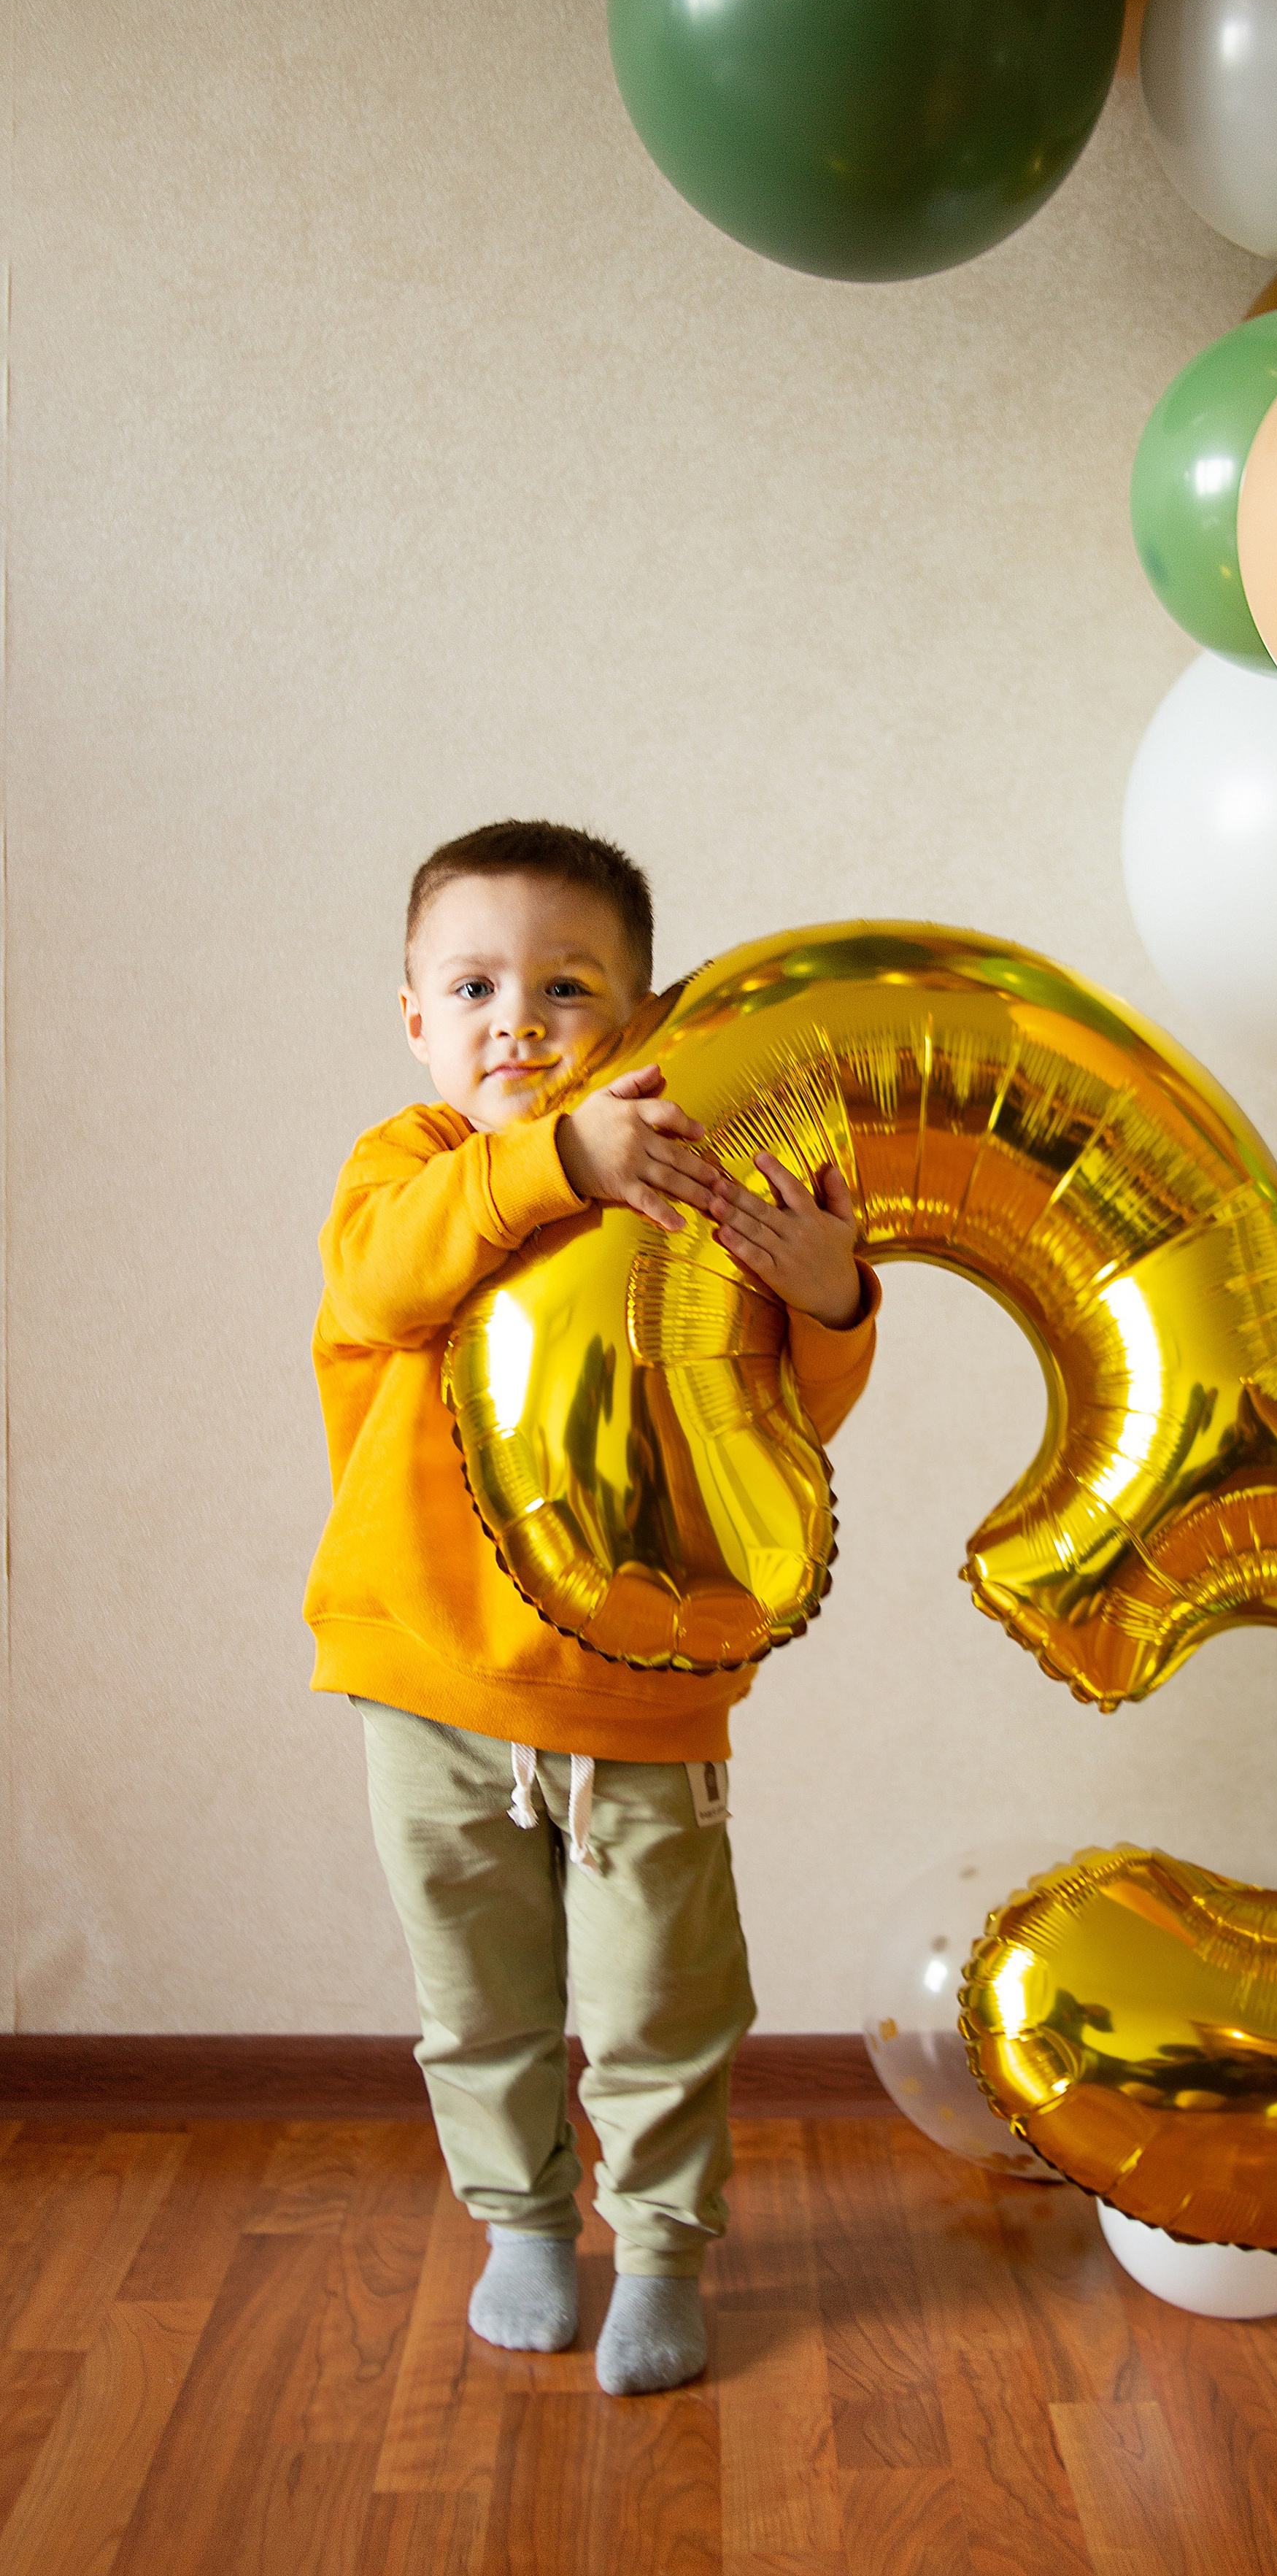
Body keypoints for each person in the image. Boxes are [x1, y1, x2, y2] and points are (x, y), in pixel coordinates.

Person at [304, 819, 878, 2394]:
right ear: (414, 1015)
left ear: (633, 1018)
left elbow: (770, 1411)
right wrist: (559, 1160)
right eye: (474, 982)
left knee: (657, 2000)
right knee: (476, 1999)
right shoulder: (406, 1167)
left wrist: (830, 1291)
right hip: (422, 1666)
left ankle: (663, 2251)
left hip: (636, 1684)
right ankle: (524, 2226)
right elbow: (385, 1282)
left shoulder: (689, 1171)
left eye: (566, 985)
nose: (519, 1021)